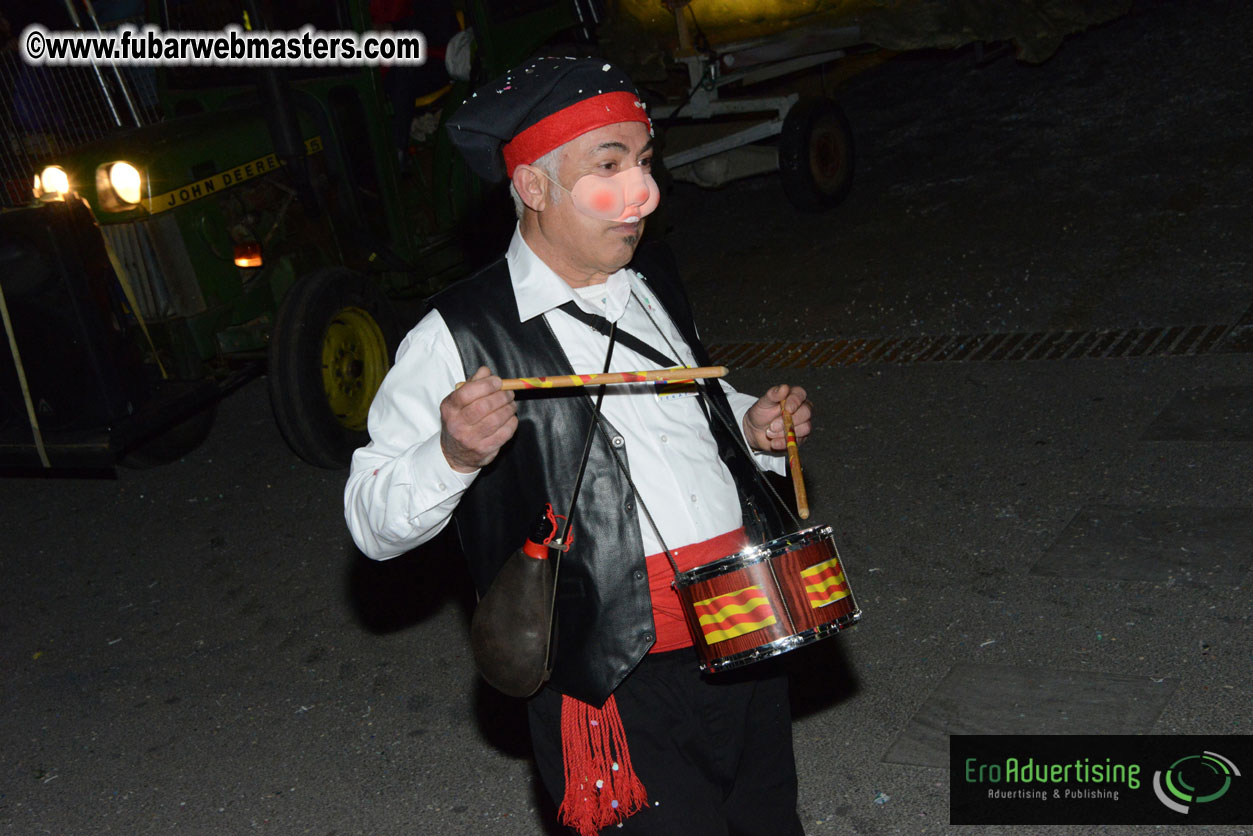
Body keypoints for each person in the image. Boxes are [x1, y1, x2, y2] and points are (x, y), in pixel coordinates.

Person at [343, 57, 814, 836]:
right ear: (532, 187)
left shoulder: (650, 275)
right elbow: (370, 520)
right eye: (609, 167)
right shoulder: (457, 335)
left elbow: (689, 403)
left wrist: (751, 425)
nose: (644, 194)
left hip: (745, 626)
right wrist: (453, 455)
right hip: (613, 677)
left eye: (644, 163)